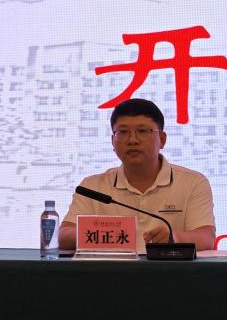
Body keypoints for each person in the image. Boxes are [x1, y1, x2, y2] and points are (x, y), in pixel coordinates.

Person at [59, 99, 216, 252]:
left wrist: (174, 238)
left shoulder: (192, 182)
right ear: (112, 141)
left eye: (142, 131)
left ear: (162, 139)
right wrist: (102, 235)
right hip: (110, 269)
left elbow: (206, 237)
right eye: (123, 132)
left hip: (167, 268)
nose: (132, 140)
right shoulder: (92, 187)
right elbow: (63, 235)